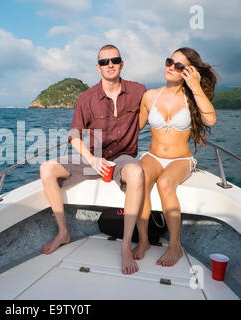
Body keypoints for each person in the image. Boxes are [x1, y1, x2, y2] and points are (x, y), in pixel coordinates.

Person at [39, 44, 146, 274]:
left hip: (123, 159)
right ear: (97, 67)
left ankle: (126, 245)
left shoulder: (139, 91)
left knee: (137, 173)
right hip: (93, 158)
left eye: (114, 60)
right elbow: (75, 136)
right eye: (105, 62)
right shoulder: (86, 98)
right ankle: (63, 232)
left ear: (122, 63)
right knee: (46, 169)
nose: (110, 65)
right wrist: (92, 160)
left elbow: (159, 107)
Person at [133, 47, 218, 267]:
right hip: (152, 155)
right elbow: (134, 127)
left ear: (188, 72)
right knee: (140, 179)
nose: (171, 67)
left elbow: (210, 120)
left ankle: (174, 245)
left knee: (164, 183)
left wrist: (196, 86)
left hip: (180, 159)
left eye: (179, 65)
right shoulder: (150, 96)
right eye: (169, 61)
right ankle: (143, 240)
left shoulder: (192, 98)